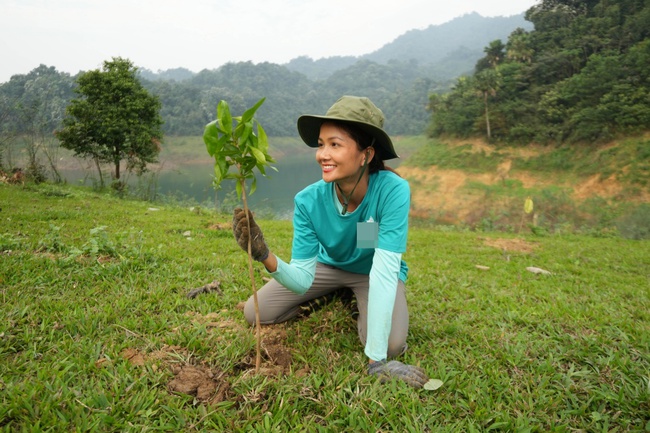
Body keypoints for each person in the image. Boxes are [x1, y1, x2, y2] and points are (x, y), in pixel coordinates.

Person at [232, 96, 428, 388]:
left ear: (366, 154)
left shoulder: (392, 191)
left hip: (371, 271)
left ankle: (355, 298)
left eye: (335, 144)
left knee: (391, 346)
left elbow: (385, 271)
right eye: (321, 144)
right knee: (255, 312)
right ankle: (335, 292)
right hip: (328, 267)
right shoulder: (307, 200)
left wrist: (377, 361)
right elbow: (301, 278)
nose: (322, 154)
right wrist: (264, 255)